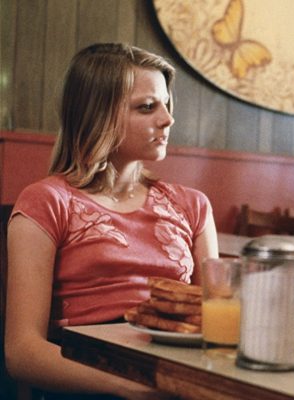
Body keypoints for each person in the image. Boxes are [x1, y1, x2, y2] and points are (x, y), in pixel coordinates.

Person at [5, 43, 218, 398]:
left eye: (166, 104)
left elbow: (213, 320)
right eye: (147, 107)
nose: (167, 119)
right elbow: (22, 353)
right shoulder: (48, 201)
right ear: (98, 115)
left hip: (176, 377)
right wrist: (130, 387)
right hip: (88, 382)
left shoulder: (192, 205)